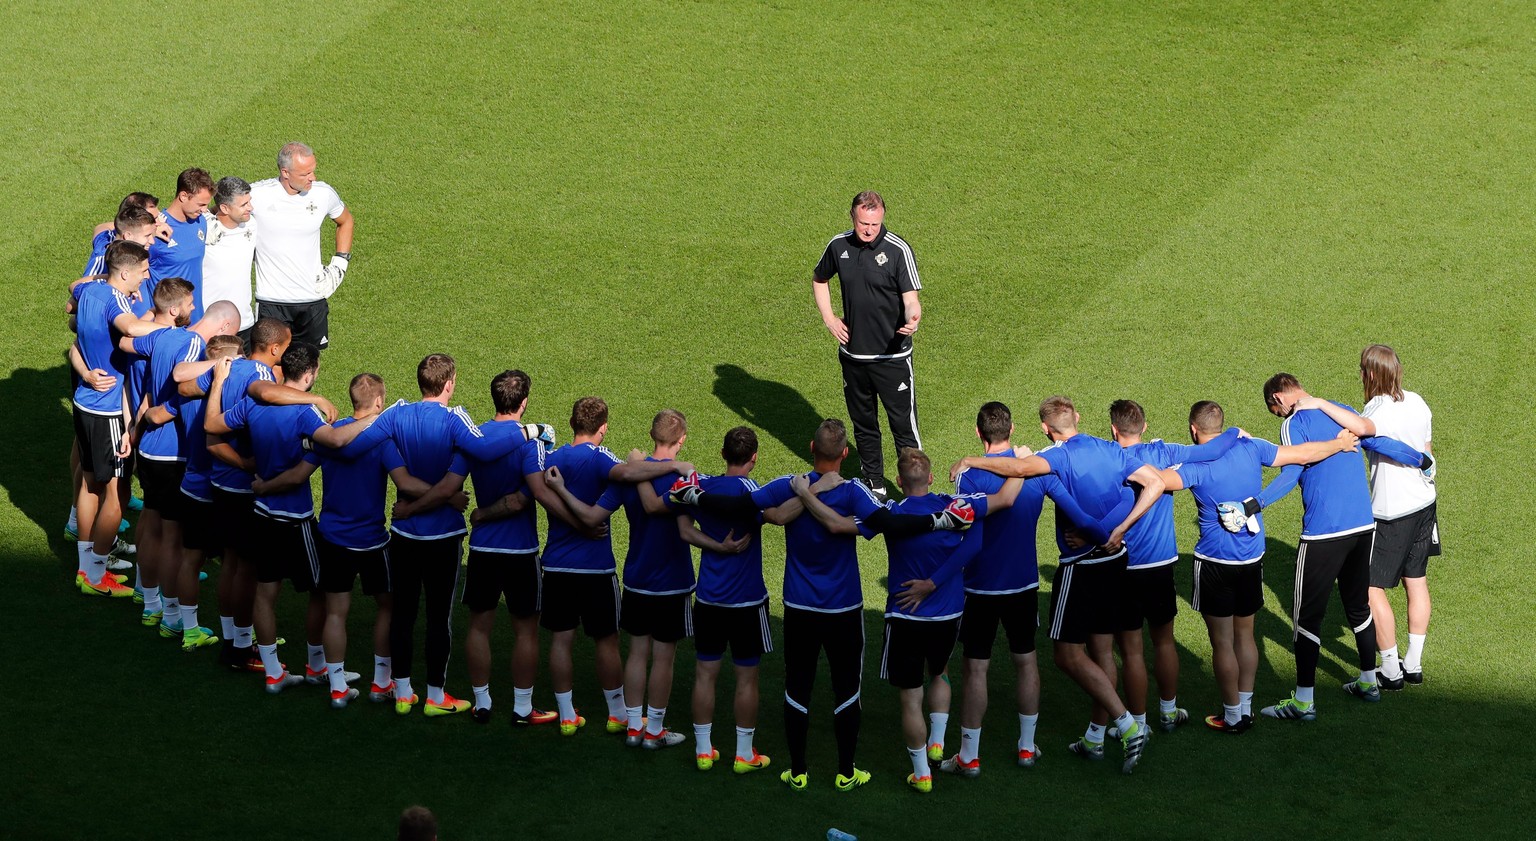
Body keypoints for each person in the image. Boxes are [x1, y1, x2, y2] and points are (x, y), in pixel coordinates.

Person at [671, 418, 973, 792]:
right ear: (845, 454)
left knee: (797, 687)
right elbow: (889, 524)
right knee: (847, 690)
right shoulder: (854, 492)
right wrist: (941, 520)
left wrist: (695, 497)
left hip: (799, 607)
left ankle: (798, 772)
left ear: (812, 449)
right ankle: (846, 772)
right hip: (844, 609)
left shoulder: (788, 485)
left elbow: (740, 505)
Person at [949, 396, 1167, 775]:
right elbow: (1153, 485)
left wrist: (969, 460)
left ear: (1046, 429)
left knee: (1066, 656)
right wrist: (1117, 530)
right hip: (1116, 561)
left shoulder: (1054, 459)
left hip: (1080, 568)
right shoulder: (1110, 449)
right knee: (1101, 652)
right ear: (1078, 417)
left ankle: (1128, 725)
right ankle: (1095, 738)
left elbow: (1018, 470)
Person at [796, 448, 1017, 794]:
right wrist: (935, 583)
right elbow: (977, 540)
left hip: (905, 617)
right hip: (948, 613)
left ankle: (921, 774)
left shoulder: (890, 513)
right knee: (940, 671)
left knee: (910, 697)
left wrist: (805, 493)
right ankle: (938, 741)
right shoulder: (956, 505)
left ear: (899, 482)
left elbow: (835, 524)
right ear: (929, 477)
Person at [335, 354, 533, 715]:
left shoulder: (395, 414)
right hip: (444, 536)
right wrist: (531, 431)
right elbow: (486, 450)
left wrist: (317, 441)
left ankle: (403, 692)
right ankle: (436, 696)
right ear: (449, 384)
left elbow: (352, 445)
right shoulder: (456, 419)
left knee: (403, 614)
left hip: (404, 536)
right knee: (439, 617)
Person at [1155, 401, 1359, 733]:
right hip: (1252, 559)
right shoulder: (1251, 448)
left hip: (1214, 563)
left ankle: (1232, 714)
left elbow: (1155, 481)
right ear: (1222, 424)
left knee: (1222, 642)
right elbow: (1301, 454)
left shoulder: (1195, 467)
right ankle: (1246, 708)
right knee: (1245, 635)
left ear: (1194, 430)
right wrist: (1338, 443)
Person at [393, 369, 571, 725]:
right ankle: (522, 707)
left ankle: (482, 701)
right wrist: (576, 520)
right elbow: (535, 494)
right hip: (520, 551)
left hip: (483, 551)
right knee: (525, 629)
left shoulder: (472, 439)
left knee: (478, 626)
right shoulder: (530, 443)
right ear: (524, 403)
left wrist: (468, 513)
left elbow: (448, 486)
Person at [1256, 373, 1431, 719]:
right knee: (1358, 607)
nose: (1277, 416)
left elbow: (1291, 472)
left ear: (1278, 398)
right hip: (1364, 528)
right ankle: (1369, 680)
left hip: (1323, 533)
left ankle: (1303, 701)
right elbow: (1378, 442)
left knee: (1306, 617)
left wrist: (1255, 504)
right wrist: (1419, 459)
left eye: (1273, 410)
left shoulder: (1293, 423)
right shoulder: (1342, 410)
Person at [205, 343, 376, 696]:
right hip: (295, 519)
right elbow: (337, 440)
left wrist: (219, 383)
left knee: (265, 593)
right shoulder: (305, 414)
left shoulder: (252, 405)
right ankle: (319, 669)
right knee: (321, 592)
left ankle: (272, 672)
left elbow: (211, 425)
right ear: (311, 374)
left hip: (262, 514)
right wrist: (375, 418)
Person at [256, 373, 435, 706]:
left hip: (332, 538)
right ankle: (381, 683)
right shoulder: (382, 440)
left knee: (335, 611)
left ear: (353, 400)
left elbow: (297, 475)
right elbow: (406, 483)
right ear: (379, 403)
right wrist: (445, 495)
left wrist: (264, 487)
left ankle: (337, 686)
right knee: (388, 606)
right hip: (371, 541)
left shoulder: (329, 437)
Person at [534, 397, 693, 736]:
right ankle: (620, 714)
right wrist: (673, 467)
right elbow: (630, 476)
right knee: (607, 641)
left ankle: (566, 715)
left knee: (561, 642)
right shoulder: (603, 460)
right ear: (603, 428)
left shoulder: (551, 458)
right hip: (597, 570)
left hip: (557, 566)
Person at [1290, 347, 1438, 687]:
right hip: (1425, 502)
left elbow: (1361, 427)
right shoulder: (1418, 401)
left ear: (1370, 374)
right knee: (1416, 581)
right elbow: (1428, 451)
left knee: (1370, 588)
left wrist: (1320, 402)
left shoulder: (1377, 408)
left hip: (1393, 510)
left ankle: (1389, 669)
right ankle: (1412, 664)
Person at [1105, 399, 1242, 737]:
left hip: (1122, 565)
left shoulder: (1108, 458)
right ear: (1145, 426)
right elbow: (1212, 448)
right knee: (1164, 641)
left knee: (1131, 649)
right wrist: (1236, 431)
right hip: (1161, 564)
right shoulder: (1164, 453)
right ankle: (1168, 711)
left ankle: (1138, 723)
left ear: (1113, 429)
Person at [812, 190, 923, 496]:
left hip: (892, 358)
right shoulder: (838, 246)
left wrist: (913, 318)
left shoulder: (898, 250)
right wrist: (830, 318)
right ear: (853, 217)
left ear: (882, 218)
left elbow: (911, 299)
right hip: (854, 357)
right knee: (863, 425)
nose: (869, 230)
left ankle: (914, 488)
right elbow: (819, 279)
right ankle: (875, 483)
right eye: (863, 223)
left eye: (874, 224)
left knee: (903, 427)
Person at [674, 427, 771, 773]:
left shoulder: (702, 488)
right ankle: (744, 754)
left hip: (710, 598)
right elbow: (775, 514)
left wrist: (717, 546)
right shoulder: (752, 490)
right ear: (754, 457)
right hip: (746, 602)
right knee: (747, 678)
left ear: (722, 453)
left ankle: (703, 750)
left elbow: (685, 531)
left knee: (705, 674)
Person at [72, 240, 161, 596]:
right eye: (142, 271)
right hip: (109, 408)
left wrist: (85, 373)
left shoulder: (89, 291)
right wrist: (174, 330)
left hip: (84, 400)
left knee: (89, 484)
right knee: (115, 496)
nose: (146, 276)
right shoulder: (115, 301)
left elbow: (74, 346)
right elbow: (131, 329)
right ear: (124, 273)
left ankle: (83, 567)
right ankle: (94, 576)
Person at [615, 410, 697, 749]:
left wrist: (637, 468)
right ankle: (654, 731)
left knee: (636, 653)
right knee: (664, 657)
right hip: (673, 581)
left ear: (652, 435)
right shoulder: (687, 478)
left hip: (637, 576)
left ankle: (634, 727)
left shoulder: (634, 474)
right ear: (682, 440)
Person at [251, 142, 355, 350]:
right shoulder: (257, 194)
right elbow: (220, 212)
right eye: (306, 173)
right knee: (270, 368)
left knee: (307, 369)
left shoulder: (323, 194)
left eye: (313, 171)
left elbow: (346, 221)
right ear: (285, 172)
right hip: (272, 302)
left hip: (313, 299)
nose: (313, 178)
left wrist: (340, 263)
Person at [148, 168, 214, 321]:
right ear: (183, 196)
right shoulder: (156, 229)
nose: (204, 210)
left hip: (195, 316)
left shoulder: (200, 222)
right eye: (201, 204)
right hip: (167, 322)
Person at [202, 176, 258, 338]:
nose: (251, 207)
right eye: (244, 205)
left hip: (245, 322)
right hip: (212, 323)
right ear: (225, 208)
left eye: (249, 201)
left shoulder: (251, 224)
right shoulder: (204, 229)